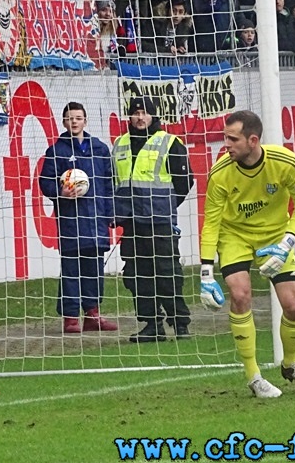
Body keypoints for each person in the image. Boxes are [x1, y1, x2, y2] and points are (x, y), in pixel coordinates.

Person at [200, 110, 295, 398]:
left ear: (253, 140)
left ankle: (290, 364)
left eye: (232, 139)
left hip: (275, 237)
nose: (225, 145)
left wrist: (286, 243)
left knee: (293, 305)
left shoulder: (286, 162)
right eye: (225, 138)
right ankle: (253, 376)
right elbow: (211, 221)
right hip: (235, 236)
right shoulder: (220, 173)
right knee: (240, 295)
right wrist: (205, 272)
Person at [113, 96, 193, 342]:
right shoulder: (119, 144)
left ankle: (179, 323)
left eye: (145, 113)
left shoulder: (170, 142)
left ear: (153, 116)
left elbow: (184, 181)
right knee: (136, 276)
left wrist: (165, 205)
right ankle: (151, 324)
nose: (139, 117)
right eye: (135, 113)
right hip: (131, 222)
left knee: (167, 273)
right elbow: (115, 181)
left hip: (159, 221)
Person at [39, 103, 118, 333]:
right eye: (69, 118)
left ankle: (93, 315)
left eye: (78, 118)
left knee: (94, 268)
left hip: (96, 219)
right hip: (71, 220)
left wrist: (110, 213)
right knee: (72, 268)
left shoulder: (100, 148)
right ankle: (71, 317)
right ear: (63, 122)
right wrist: (60, 192)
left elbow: (108, 183)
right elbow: (44, 182)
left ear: (85, 120)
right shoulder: (56, 150)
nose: (74, 122)